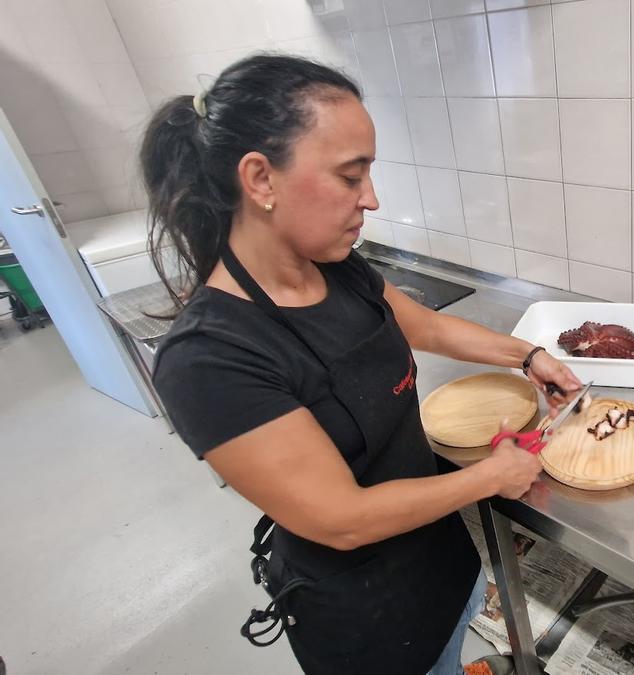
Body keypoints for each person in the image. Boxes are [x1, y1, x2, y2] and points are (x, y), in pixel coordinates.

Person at [142, 54, 582, 675]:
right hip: (371, 623)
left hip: (440, 558)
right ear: (260, 179)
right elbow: (341, 520)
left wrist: (529, 356)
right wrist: (490, 477)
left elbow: (425, 326)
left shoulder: (335, 266)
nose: (371, 199)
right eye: (351, 176)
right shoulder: (210, 359)